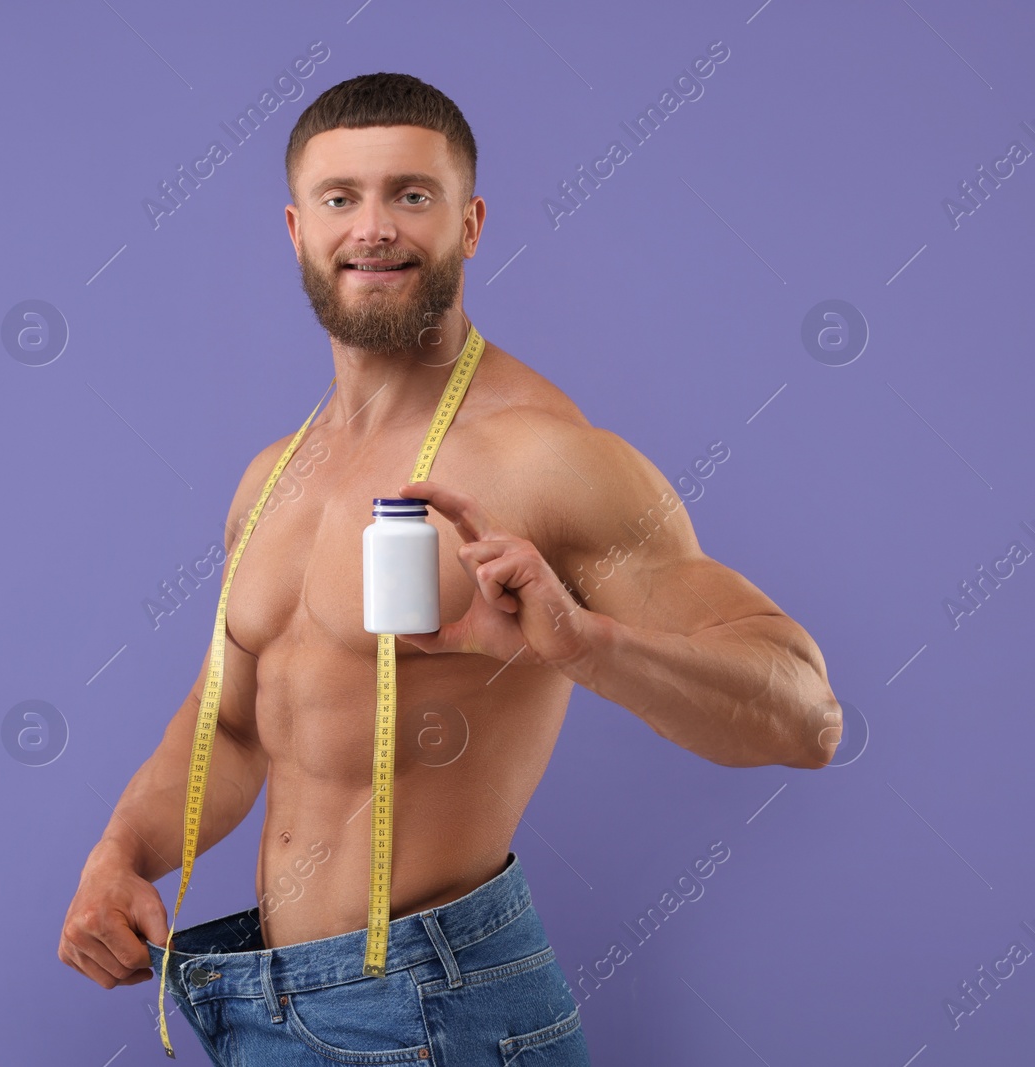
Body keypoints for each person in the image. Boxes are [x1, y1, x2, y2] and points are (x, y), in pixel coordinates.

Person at [59, 71, 840, 1065]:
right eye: (341, 198)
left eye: (410, 195)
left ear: (469, 224)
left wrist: (587, 643)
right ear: (295, 229)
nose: (373, 227)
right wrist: (118, 853)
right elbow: (234, 723)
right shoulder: (272, 474)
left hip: (440, 1012)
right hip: (259, 1002)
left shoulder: (544, 456)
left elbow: (805, 716)